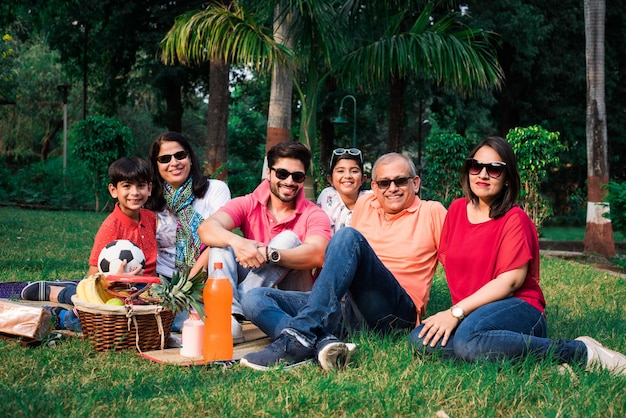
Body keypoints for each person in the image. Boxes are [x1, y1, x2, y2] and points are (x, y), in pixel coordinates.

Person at [408, 136, 626, 376]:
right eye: (475, 166)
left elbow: (509, 282)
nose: (482, 175)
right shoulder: (457, 210)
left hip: (520, 309)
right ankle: (538, 360)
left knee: (468, 341)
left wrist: (454, 313)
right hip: (473, 315)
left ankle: (581, 351)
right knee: (421, 339)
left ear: (508, 178)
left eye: (494, 169)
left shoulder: (515, 219)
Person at [239, 152, 447, 371]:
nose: (392, 188)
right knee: (255, 298)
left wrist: (456, 314)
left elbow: (456, 265)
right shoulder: (367, 204)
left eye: (400, 181)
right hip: (348, 308)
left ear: (415, 183)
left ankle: (299, 336)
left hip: (395, 314)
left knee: (348, 237)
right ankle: (323, 344)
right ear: (375, 188)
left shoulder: (432, 212)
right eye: (384, 183)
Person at [197, 141, 332, 323]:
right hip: (252, 279)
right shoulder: (248, 202)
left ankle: (241, 307)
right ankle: (229, 316)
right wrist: (238, 243)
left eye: (297, 176)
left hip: (289, 299)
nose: (289, 182)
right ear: (268, 172)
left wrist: (271, 254)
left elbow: (318, 254)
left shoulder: (313, 213)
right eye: (282, 174)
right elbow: (207, 229)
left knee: (288, 240)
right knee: (221, 246)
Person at [21, 157, 157, 331]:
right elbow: (93, 275)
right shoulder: (111, 227)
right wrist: (116, 279)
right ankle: (61, 314)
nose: (135, 192)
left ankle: (66, 291)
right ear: (113, 190)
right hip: (113, 289)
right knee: (100, 325)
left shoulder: (150, 218)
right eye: (127, 186)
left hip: (144, 290)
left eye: (141, 186)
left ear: (150, 188)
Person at [145, 132, 235, 336]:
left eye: (180, 155)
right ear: (156, 165)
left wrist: (186, 287)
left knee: (198, 319)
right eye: (165, 159)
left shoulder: (215, 190)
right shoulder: (150, 199)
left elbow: (218, 241)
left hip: (206, 279)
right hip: (163, 282)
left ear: (190, 157)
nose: (174, 163)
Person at [317, 147, 370, 235]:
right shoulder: (328, 197)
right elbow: (323, 233)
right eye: (341, 171)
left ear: (363, 179)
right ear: (330, 179)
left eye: (354, 171)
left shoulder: (370, 199)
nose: (347, 176)